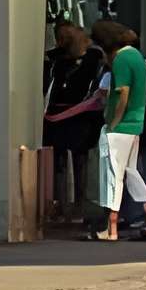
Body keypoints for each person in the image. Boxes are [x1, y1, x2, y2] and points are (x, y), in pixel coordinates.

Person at [90, 19, 146, 242]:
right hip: (135, 125)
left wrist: (113, 122)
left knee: (113, 176)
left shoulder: (120, 60)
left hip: (119, 128)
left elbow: (122, 93)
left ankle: (111, 229)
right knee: (132, 173)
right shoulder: (137, 57)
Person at [41, 22, 105, 226]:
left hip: (81, 114)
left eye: (67, 36)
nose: (63, 41)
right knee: (59, 160)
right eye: (60, 36)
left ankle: (78, 203)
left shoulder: (94, 57)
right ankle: (61, 203)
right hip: (58, 113)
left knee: (80, 160)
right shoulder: (56, 59)